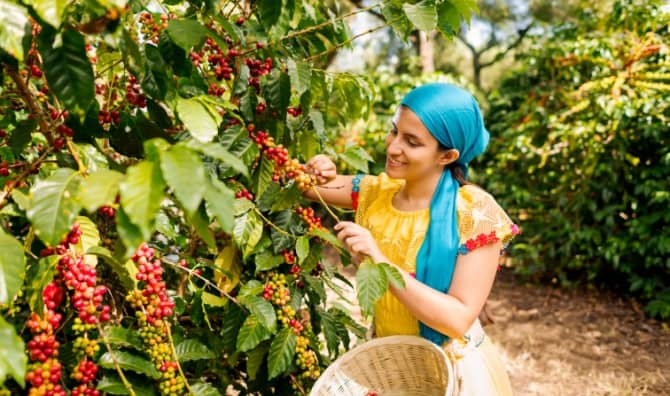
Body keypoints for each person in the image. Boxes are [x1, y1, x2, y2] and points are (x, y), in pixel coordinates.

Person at [304, 83, 519, 395]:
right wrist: (318, 167)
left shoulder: (475, 213)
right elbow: (303, 183)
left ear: (447, 155)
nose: (393, 147)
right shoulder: (375, 192)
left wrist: (380, 262)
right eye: (394, 132)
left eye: (412, 142)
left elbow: (457, 318)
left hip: (452, 374)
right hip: (393, 368)